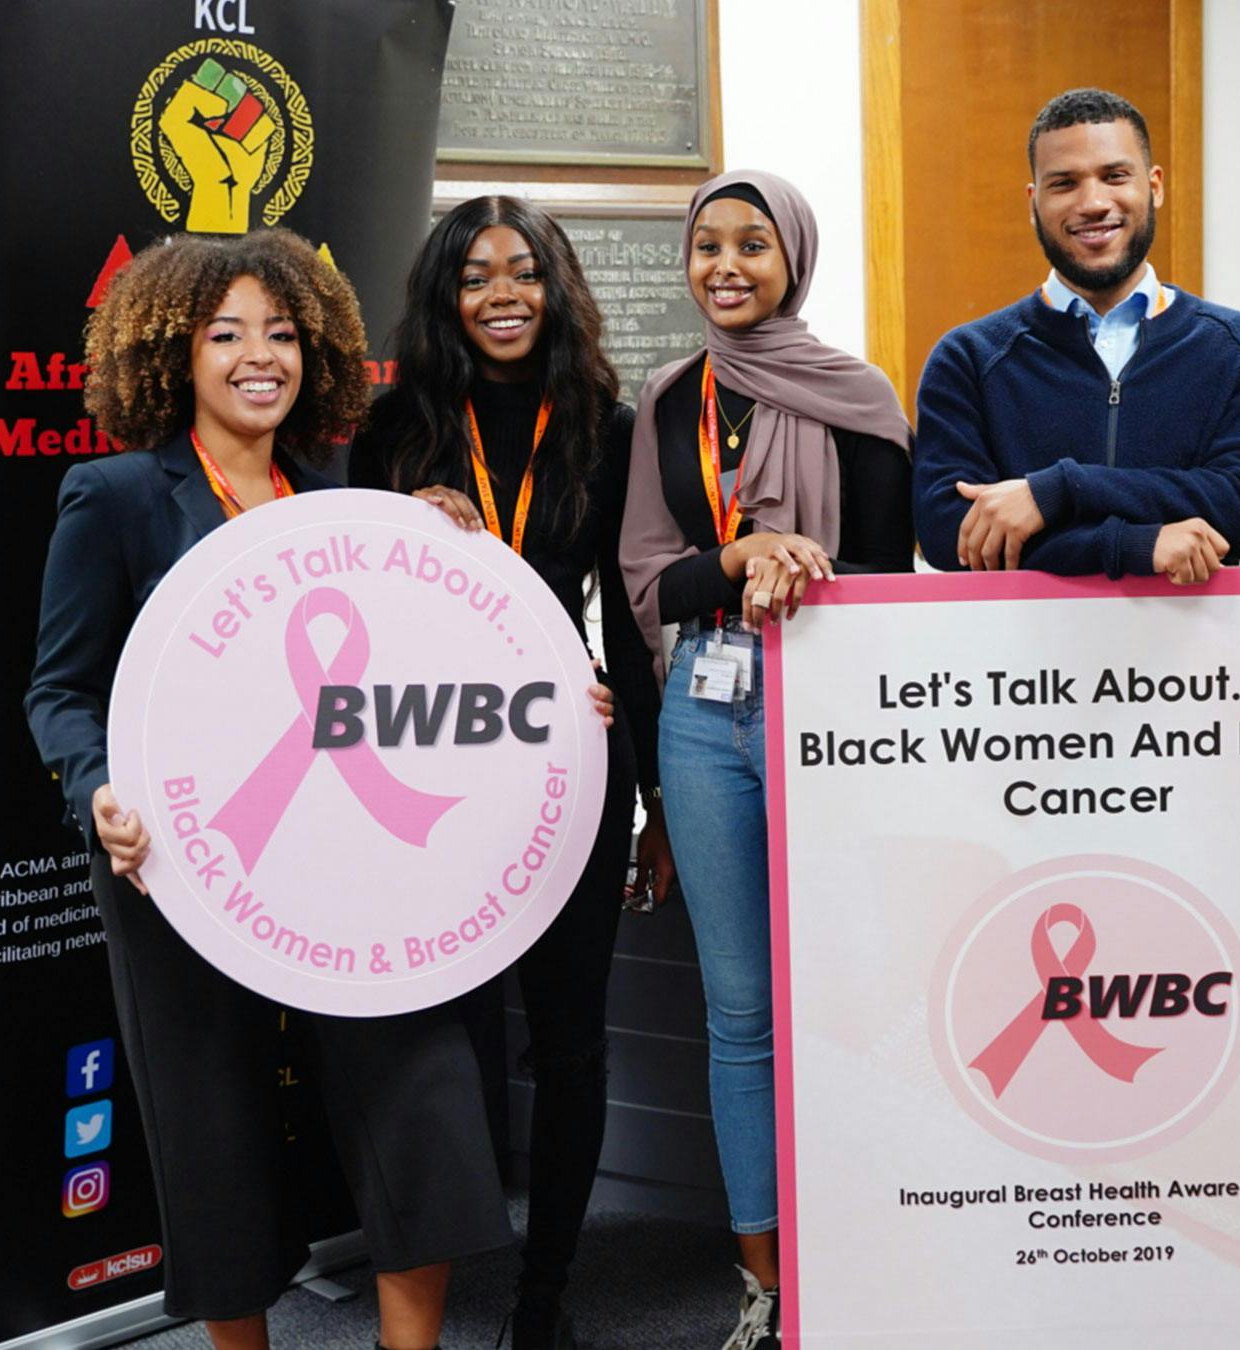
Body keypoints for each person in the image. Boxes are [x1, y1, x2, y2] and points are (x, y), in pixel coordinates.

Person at [26, 230, 510, 1350]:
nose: (260, 357)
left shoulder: (346, 492)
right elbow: (57, 691)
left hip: (356, 864)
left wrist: (541, 699)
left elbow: (423, 674)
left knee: (417, 1100)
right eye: (226, 334)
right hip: (182, 865)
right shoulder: (114, 498)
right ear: (173, 354)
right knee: (212, 1129)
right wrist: (97, 789)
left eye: (282, 335)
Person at [350, 195, 672, 1350]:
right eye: (477, 273)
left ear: (556, 286)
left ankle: (546, 1297)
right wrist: (405, 520)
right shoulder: (395, 430)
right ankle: (438, 1279)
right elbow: (357, 608)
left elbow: (632, 624)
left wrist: (658, 805)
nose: (502, 292)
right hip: (432, 769)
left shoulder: (609, 423)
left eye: (524, 271)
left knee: (572, 1035)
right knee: (445, 1030)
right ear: (446, 293)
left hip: (569, 752)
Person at [618, 170, 912, 1350]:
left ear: (795, 256)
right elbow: (643, 575)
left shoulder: (859, 395)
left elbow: (891, 579)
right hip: (703, 705)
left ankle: (869, 1258)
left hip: (832, 705)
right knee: (740, 1012)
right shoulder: (665, 397)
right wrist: (745, 556)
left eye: (752, 244)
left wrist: (812, 568)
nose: (727, 265)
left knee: (851, 996)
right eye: (706, 247)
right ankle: (767, 1285)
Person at [911, 86, 1240, 580]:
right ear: (1033, 202)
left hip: (1190, 656)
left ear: (1154, 186)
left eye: (1115, 176)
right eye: (1064, 183)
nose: (1092, 202)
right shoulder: (969, 358)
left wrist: (1055, 492)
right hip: (1022, 657)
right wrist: (1134, 545)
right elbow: (949, 535)